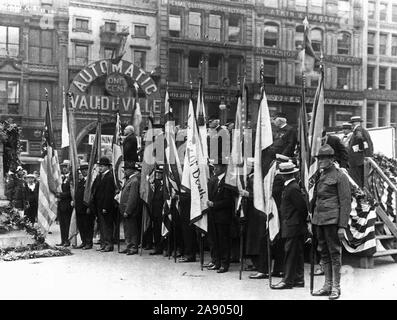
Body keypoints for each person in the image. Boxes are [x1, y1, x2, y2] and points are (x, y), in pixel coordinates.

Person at [311, 144, 351, 300]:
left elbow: (345, 202)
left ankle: (336, 287)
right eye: (320, 158)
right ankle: (327, 285)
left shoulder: (340, 176)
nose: (321, 161)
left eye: (324, 158)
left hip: (332, 221)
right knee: (323, 253)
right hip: (319, 220)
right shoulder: (321, 175)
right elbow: (317, 199)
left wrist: (342, 226)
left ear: (332, 159)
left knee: (334, 254)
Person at [271, 162, 308, 290]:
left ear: (284, 176)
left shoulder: (292, 188)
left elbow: (302, 208)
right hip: (293, 225)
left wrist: (297, 222)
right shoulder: (291, 186)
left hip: (292, 225)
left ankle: (287, 280)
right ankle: (298, 279)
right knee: (296, 253)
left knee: (290, 254)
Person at [206, 162, 234, 273]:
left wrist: (215, 204)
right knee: (214, 240)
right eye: (214, 167)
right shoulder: (213, 180)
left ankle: (224, 263)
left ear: (223, 168)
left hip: (223, 216)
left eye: (217, 167)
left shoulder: (227, 182)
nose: (215, 169)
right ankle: (216, 261)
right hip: (213, 215)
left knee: (223, 241)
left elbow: (229, 201)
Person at [90, 156, 116, 252]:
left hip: (105, 206)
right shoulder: (99, 176)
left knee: (107, 225)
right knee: (101, 225)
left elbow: (108, 194)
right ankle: (103, 243)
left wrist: (105, 207)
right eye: (99, 166)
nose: (100, 168)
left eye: (102, 166)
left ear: (107, 167)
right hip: (98, 205)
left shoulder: (109, 177)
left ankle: (109, 244)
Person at [119, 162, 141, 255]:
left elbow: (132, 197)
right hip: (124, 208)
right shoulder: (130, 180)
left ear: (132, 170)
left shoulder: (134, 180)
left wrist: (128, 210)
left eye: (127, 169)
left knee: (132, 230)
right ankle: (129, 246)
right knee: (127, 229)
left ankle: (133, 247)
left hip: (130, 210)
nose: (125, 171)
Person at [347, 116, 374, 188]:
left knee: (356, 180)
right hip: (360, 160)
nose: (352, 125)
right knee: (361, 179)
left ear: (357, 123)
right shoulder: (362, 130)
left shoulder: (358, 130)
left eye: (353, 123)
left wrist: (360, 149)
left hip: (357, 160)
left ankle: (360, 194)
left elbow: (359, 138)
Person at [75, 162, 94, 250]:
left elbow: (92, 195)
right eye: (82, 170)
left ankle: (88, 242)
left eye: (85, 170)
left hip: (86, 207)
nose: (83, 172)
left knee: (88, 226)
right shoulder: (81, 181)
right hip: (79, 208)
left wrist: (90, 207)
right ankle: (83, 241)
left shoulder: (91, 181)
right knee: (81, 226)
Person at [56, 160, 73, 247]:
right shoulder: (61, 178)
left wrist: (61, 195)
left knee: (67, 223)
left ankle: (67, 240)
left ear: (69, 167)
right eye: (63, 167)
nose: (64, 168)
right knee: (62, 223)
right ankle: (63, 240)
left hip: (67, 204)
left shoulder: (71, 178)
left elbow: (72, 192)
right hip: (61, 204)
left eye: (66, 166)